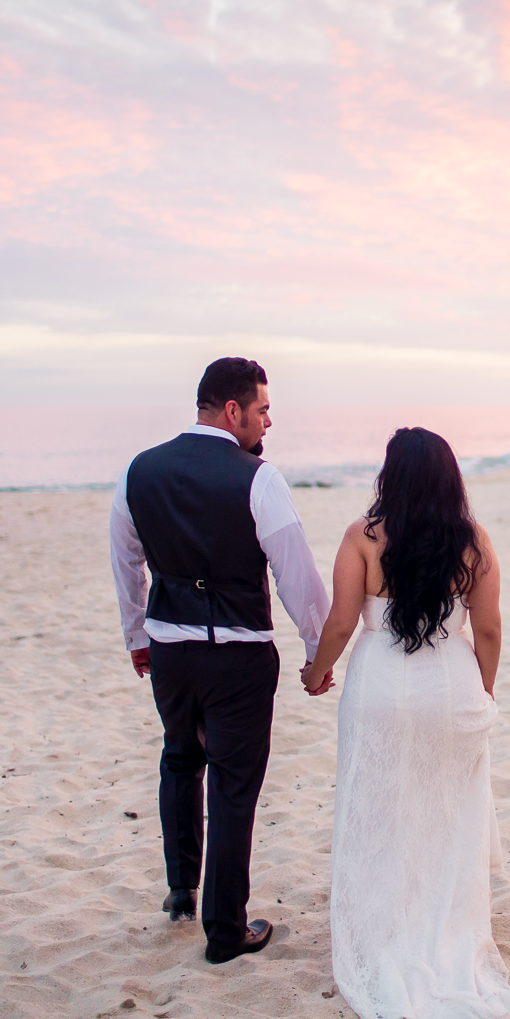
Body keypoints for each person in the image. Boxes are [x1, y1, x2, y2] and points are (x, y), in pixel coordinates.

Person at [297, 427, 510, 1019]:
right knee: (447, 813)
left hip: (381, 692)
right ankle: (443, 927)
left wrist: (317, 672)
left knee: (379, 810)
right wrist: (486, 689)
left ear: (389, 476)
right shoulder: (473, 542)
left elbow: (342, 621)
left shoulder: (362, 537)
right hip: (449, 688)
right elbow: (490, 630)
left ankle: (384, 931)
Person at [109, 357, 330, 964]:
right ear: (232, 411)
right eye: (262, 410)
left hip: (170, 652)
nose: (267, 423)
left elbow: (125, 560)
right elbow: (294, 571)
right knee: (234, 787)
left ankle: (182, 890)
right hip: (239, 657)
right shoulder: (258, 478)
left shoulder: (140, 471)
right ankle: (225, 930)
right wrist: (318, 646)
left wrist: (137, 634)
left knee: (180, 759)